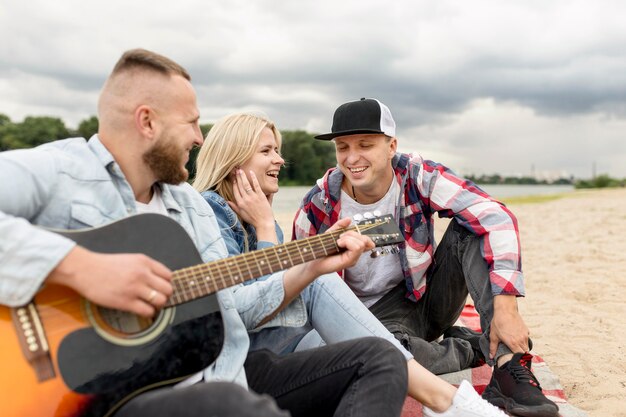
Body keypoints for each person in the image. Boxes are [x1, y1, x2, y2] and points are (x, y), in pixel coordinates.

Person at [0, 50, 409, 417]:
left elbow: (234, 309)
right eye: (192, 123)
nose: (200, 138)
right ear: (147, 121)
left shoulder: (189, 206)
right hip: (94, 392)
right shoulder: (61, 170)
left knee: (377, 359)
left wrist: (308, 266)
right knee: (228, 404)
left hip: (209, 377)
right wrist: (80, 268)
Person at [192, 112, 509, 417]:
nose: (279, 159)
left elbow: (280, 298)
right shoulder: (210, 213)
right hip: (247, 352)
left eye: (277, 150)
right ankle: (444, 395)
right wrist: (270, 234)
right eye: (266, 151)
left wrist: (293, 246)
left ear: (392, 147)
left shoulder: (258, 218)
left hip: (286, 339)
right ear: (234, 159)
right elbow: (248, 311)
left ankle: (440, 388)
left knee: (370, 341)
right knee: (337, 300)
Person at [293, 98, 560, 417]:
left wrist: (506, 308)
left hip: (426, 296)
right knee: (377, 357)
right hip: (370, 320)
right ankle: (468, 348)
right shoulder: (318, 205)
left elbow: (495, 216)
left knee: (471, 225)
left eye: (365, 145)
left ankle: (507, 366)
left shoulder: (417, 175)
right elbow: (302, 284)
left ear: (391, 146)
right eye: (343, 147)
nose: (352, 158)